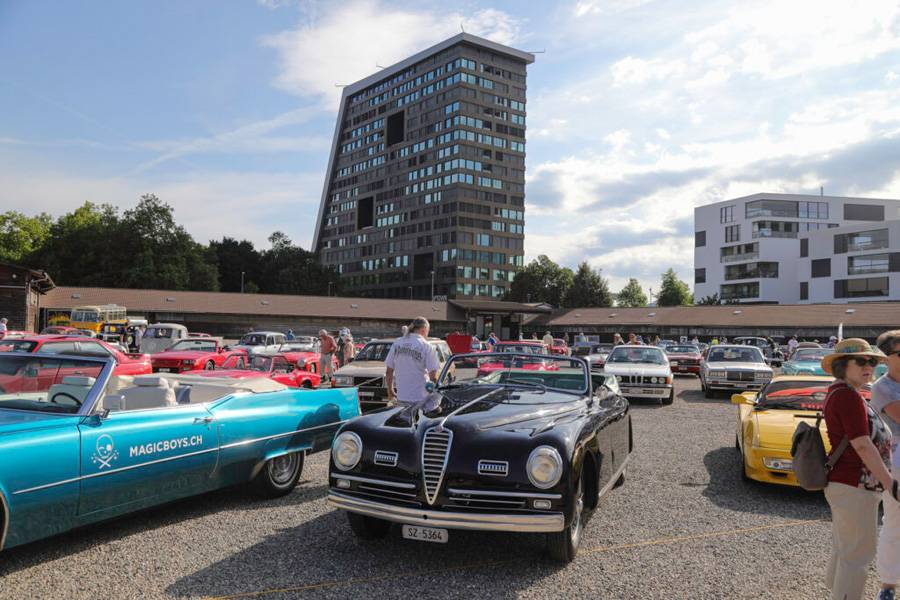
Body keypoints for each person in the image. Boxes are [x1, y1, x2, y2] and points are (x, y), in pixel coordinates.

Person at [821, 339, 897, 600]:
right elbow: (863, 445)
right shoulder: (848, 396)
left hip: (849, 484)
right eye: (862, 361)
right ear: (843, 365)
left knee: (846, 550)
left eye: (872, 361)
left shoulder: (844, 392)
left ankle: (838, 593)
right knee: (857, 555)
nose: (870, 366)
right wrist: (891, 483)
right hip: (854, 485)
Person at [873, 330, 900, 600]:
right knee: (894, 522)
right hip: (896, 462)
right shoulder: (883, 387)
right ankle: (888, 585)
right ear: (886, 358)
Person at [385, 316, 440, 409]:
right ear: (424, 329)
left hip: (401, 396)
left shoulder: (397, 343)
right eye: (428, 331)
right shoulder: (427, 346)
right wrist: (436, 394)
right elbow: (433, 376)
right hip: (421, 398)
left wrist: (390, 390)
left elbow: (389, 371)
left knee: (404, 422)